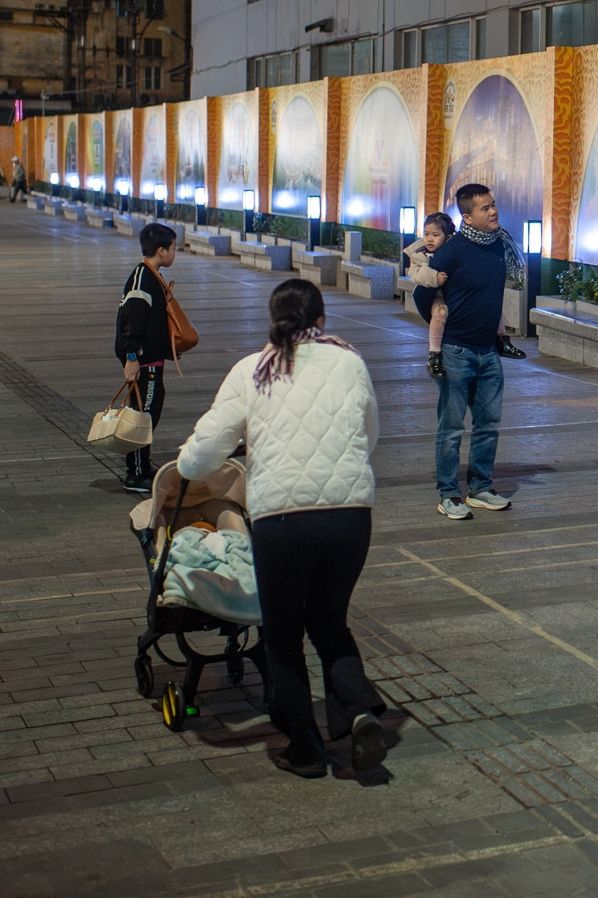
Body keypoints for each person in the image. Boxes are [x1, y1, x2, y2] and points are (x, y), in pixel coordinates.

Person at [177, 279, 386, 779]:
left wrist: (185, 465)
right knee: (329, 622)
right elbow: (369, 434)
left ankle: (306, 750)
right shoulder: (350, 362)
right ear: (322, 319)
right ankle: (358, 711)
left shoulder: (253, 370)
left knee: (283, 635)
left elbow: (203, 454)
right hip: (350, 516)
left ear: (273, 320)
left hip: (282, 520)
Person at [426, 183, 526, 521]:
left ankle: (481, 488)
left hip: (488, 352)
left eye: (493, 204)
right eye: (485, 208)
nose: (493, 211)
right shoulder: (452, 251)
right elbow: (423, 292)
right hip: (456, 350)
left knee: (488, 424)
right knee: (452, 427)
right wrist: (441, 324)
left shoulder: (499, 244)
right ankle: (448, 493)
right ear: (467, 217)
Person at [114, 223, 178, 494]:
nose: (175, 253)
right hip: (144, 361)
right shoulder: (143, 279)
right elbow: (131, 321)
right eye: (173, 248)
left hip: (151, 359)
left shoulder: (150, 275)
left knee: (147, 412)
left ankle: (142, 464)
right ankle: (136, 473)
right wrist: (131, 356)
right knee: (144, 415)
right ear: (161, 251)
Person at [401, 212, 458, 363]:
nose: (429, 239)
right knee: (440, 313)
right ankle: (434, 352)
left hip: (454, 293)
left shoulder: (453, 251)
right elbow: (415, 275)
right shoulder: (418, 254)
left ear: (447, 237)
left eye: (435, 235)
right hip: (435, 296)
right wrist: (434, 277)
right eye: (426, 234)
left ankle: (501, 336)